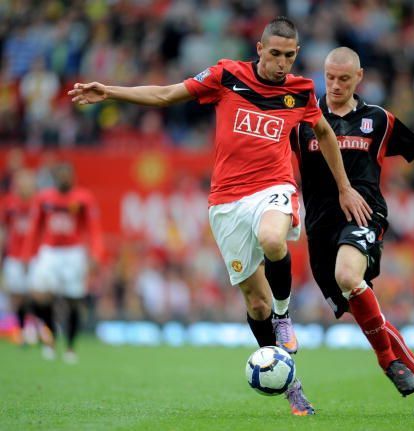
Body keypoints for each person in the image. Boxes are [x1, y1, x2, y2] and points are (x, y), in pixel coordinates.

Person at [68, 17, 371, 416]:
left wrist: (345, 186)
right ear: (260, 50)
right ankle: (290, 382)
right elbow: (164, 95)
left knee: (274, 241)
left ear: (296, 55)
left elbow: (325, 134)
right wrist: (109, 91)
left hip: (273, 187)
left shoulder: (300, 92)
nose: (283, 63)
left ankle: (285, 317)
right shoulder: (226, 74)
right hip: (226, 203)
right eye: (275, 54)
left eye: (290, 56)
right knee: (255, 303)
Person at [291, 47, 414, 415]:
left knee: (348, 275)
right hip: (320, 229)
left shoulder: (377, 120)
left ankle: (386, 362)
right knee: (367, 316)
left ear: (360, 77)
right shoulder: (303, 120)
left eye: (344, 79)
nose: (335, 85)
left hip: (364, 215)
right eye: (329, 77)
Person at [22, 162, 104, 363]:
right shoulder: (44, 198)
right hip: (50, 252)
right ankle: (49, 340)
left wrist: (96, 254)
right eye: (62, 176)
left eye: (69, 176)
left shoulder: (83, 199)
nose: (65, 180)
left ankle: (70, 346)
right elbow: (34, 228)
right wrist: (27, 254)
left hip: (73, 253)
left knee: (73, 300)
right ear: (56, 178)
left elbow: (94, 229)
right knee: (41, 297)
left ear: (73, 178)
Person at [0, 168, 36, 345]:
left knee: (36, 294)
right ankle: (20, 330)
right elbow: (3, 229)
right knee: (16, 295)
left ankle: (36, 328)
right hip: (14, 255)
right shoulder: (9, 204)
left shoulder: (38, 204)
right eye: (20, 183)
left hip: (34, 257)